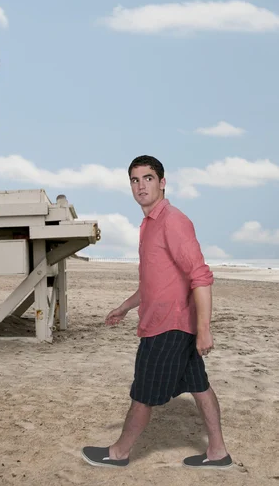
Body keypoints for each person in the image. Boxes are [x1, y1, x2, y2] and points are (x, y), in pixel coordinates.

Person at [82, 155, 232, 469]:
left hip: (169, 327)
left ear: (162, 182)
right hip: (168, 323)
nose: (141, 186)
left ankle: (119, 453)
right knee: (200, 387)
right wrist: (124, 307)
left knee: (143, 393)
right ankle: (218, 452)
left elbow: (200, 276)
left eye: (148, 178)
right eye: (135, 180)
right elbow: (155, 283)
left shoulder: (173, 221)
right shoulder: (149, 225)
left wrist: (204, 329)